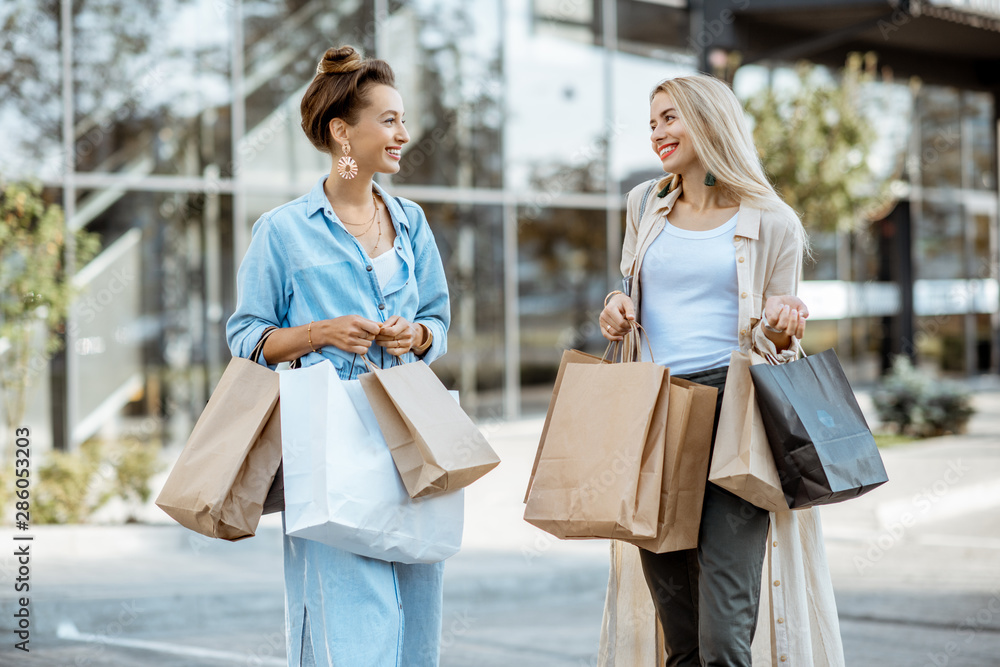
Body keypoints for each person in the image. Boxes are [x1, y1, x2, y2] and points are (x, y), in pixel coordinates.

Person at [226, 45, 450, 667]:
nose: (403, 134)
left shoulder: (411, 222)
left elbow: (439, 321)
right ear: (341, 132)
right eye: (389, 120)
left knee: (417, 625)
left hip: (408, 436)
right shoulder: (283, 230)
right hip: (324, 436)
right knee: (348, 631)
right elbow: (247, 337)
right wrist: (319, 332)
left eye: (404, 120)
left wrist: (417, 335)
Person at [598, 73, 825, 666]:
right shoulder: (644, 204)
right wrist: (616, 310)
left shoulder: (771, 220)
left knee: (724, 635)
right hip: (657, 412)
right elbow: (631, 297)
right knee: (680, 634)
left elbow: (779, 339)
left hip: (736, 414)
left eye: (670, 118)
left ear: (708, 120)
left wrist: (782, 323)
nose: (657, 132)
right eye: (652, 122)